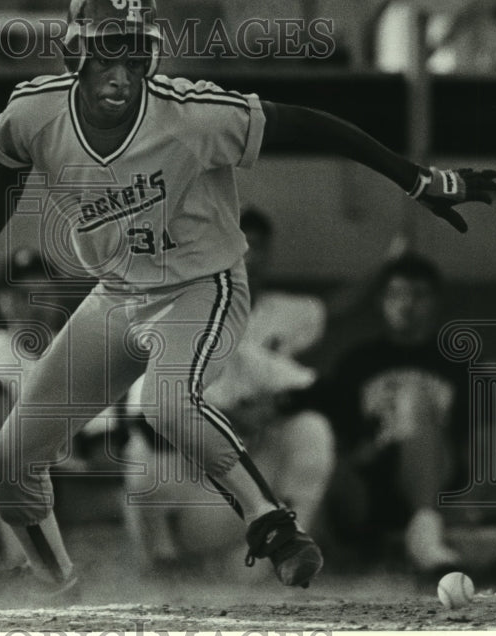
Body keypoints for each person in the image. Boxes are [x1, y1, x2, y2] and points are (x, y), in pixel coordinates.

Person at [0, 0, 496, 595]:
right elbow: (6, 172)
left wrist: (414, 178)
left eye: (136, 53)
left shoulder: (191, 116)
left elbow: (309, 124)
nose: (121, 73)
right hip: (117, 295)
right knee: (8, 467)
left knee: (166, 401)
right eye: (106, 52)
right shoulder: (34, 114)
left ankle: (273, 525)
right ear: (73, 52)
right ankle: (57, 585)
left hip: (201, 285)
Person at [120, 207, 335, 575]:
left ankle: (290, 547)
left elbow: (322, 391)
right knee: (139, 452)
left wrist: (273, 404)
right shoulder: (166, 348)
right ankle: (160, 563)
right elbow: (142, 425)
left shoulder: (241, 354)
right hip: (186, 506)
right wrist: (231, 419)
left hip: (240, 511)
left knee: (312, 428)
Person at [293, 254, 470, 573]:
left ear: (436, 301)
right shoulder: (357, 361)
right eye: (397, 294)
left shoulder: (459, 364)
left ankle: (424, 530)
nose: (408, 305)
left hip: (436, 481)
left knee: (413, 399)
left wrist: (474, 502)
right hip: (367, 488)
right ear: (381, 301)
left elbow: (486, 439)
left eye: (419, 295)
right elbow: (332, 442)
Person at [0, 249, 68, 567]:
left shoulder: (71, 348)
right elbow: (9, 424)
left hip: (69, 478)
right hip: (14, 484)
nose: (33, 305)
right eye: (22, 295)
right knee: (37, 572)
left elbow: (102, 431)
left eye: (43, 294)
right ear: (4, 301)